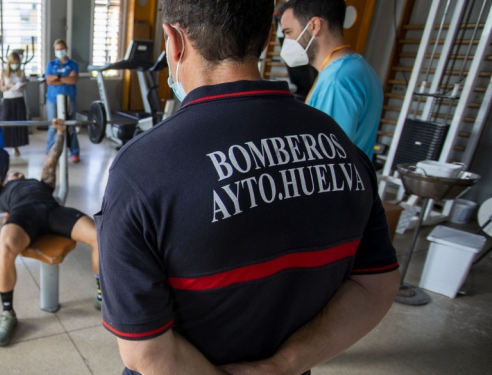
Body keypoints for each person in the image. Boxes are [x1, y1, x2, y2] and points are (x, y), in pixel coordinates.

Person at [97, 1, 400, 374]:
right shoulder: (342, 144)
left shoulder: (139, 171)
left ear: (173, 41)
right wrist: (282, 365)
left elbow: (146, 353)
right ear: (266, 38)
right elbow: (377, 285)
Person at [0, 117, 100, 347]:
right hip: (23, 215)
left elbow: (52, 158)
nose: (18, 175)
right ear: (6, 179)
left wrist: (60, 132)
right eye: (13, 174)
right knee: (6, 247)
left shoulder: (41, 183)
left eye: (21, 174)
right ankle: (7, 313)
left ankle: (102, 293)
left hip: (52, 211)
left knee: (100, 236)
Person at [279, 0, 383, 160]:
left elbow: (325, 158)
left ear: (314, 25)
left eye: (288, 32)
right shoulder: (359, 67)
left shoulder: (336, 81)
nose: (287, 41)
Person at [45, 39, 80, 163]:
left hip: (69, 99)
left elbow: (73, 80)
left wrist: (57, 79)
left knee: (71, 126)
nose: (60, 51)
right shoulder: (50, 64)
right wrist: (64, 77)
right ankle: (50, 151)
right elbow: (49, 80)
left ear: (66, 49)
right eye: (57, 49)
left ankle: (74, 152)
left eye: (62, 49)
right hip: (53, 100)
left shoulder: (73, 64)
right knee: (53, 127)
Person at [0, 52, 29, 157]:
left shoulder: (21, 72)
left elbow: (23, 86)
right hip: (8, 100)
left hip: (18, 100)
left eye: (16, 63)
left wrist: (19, 87)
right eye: (13, 63)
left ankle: (16, 146)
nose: (15, 65)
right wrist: (8, 86)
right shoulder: (4, 72)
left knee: (18, 124)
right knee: (6, 123)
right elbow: (1, 87)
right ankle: (4, 144)